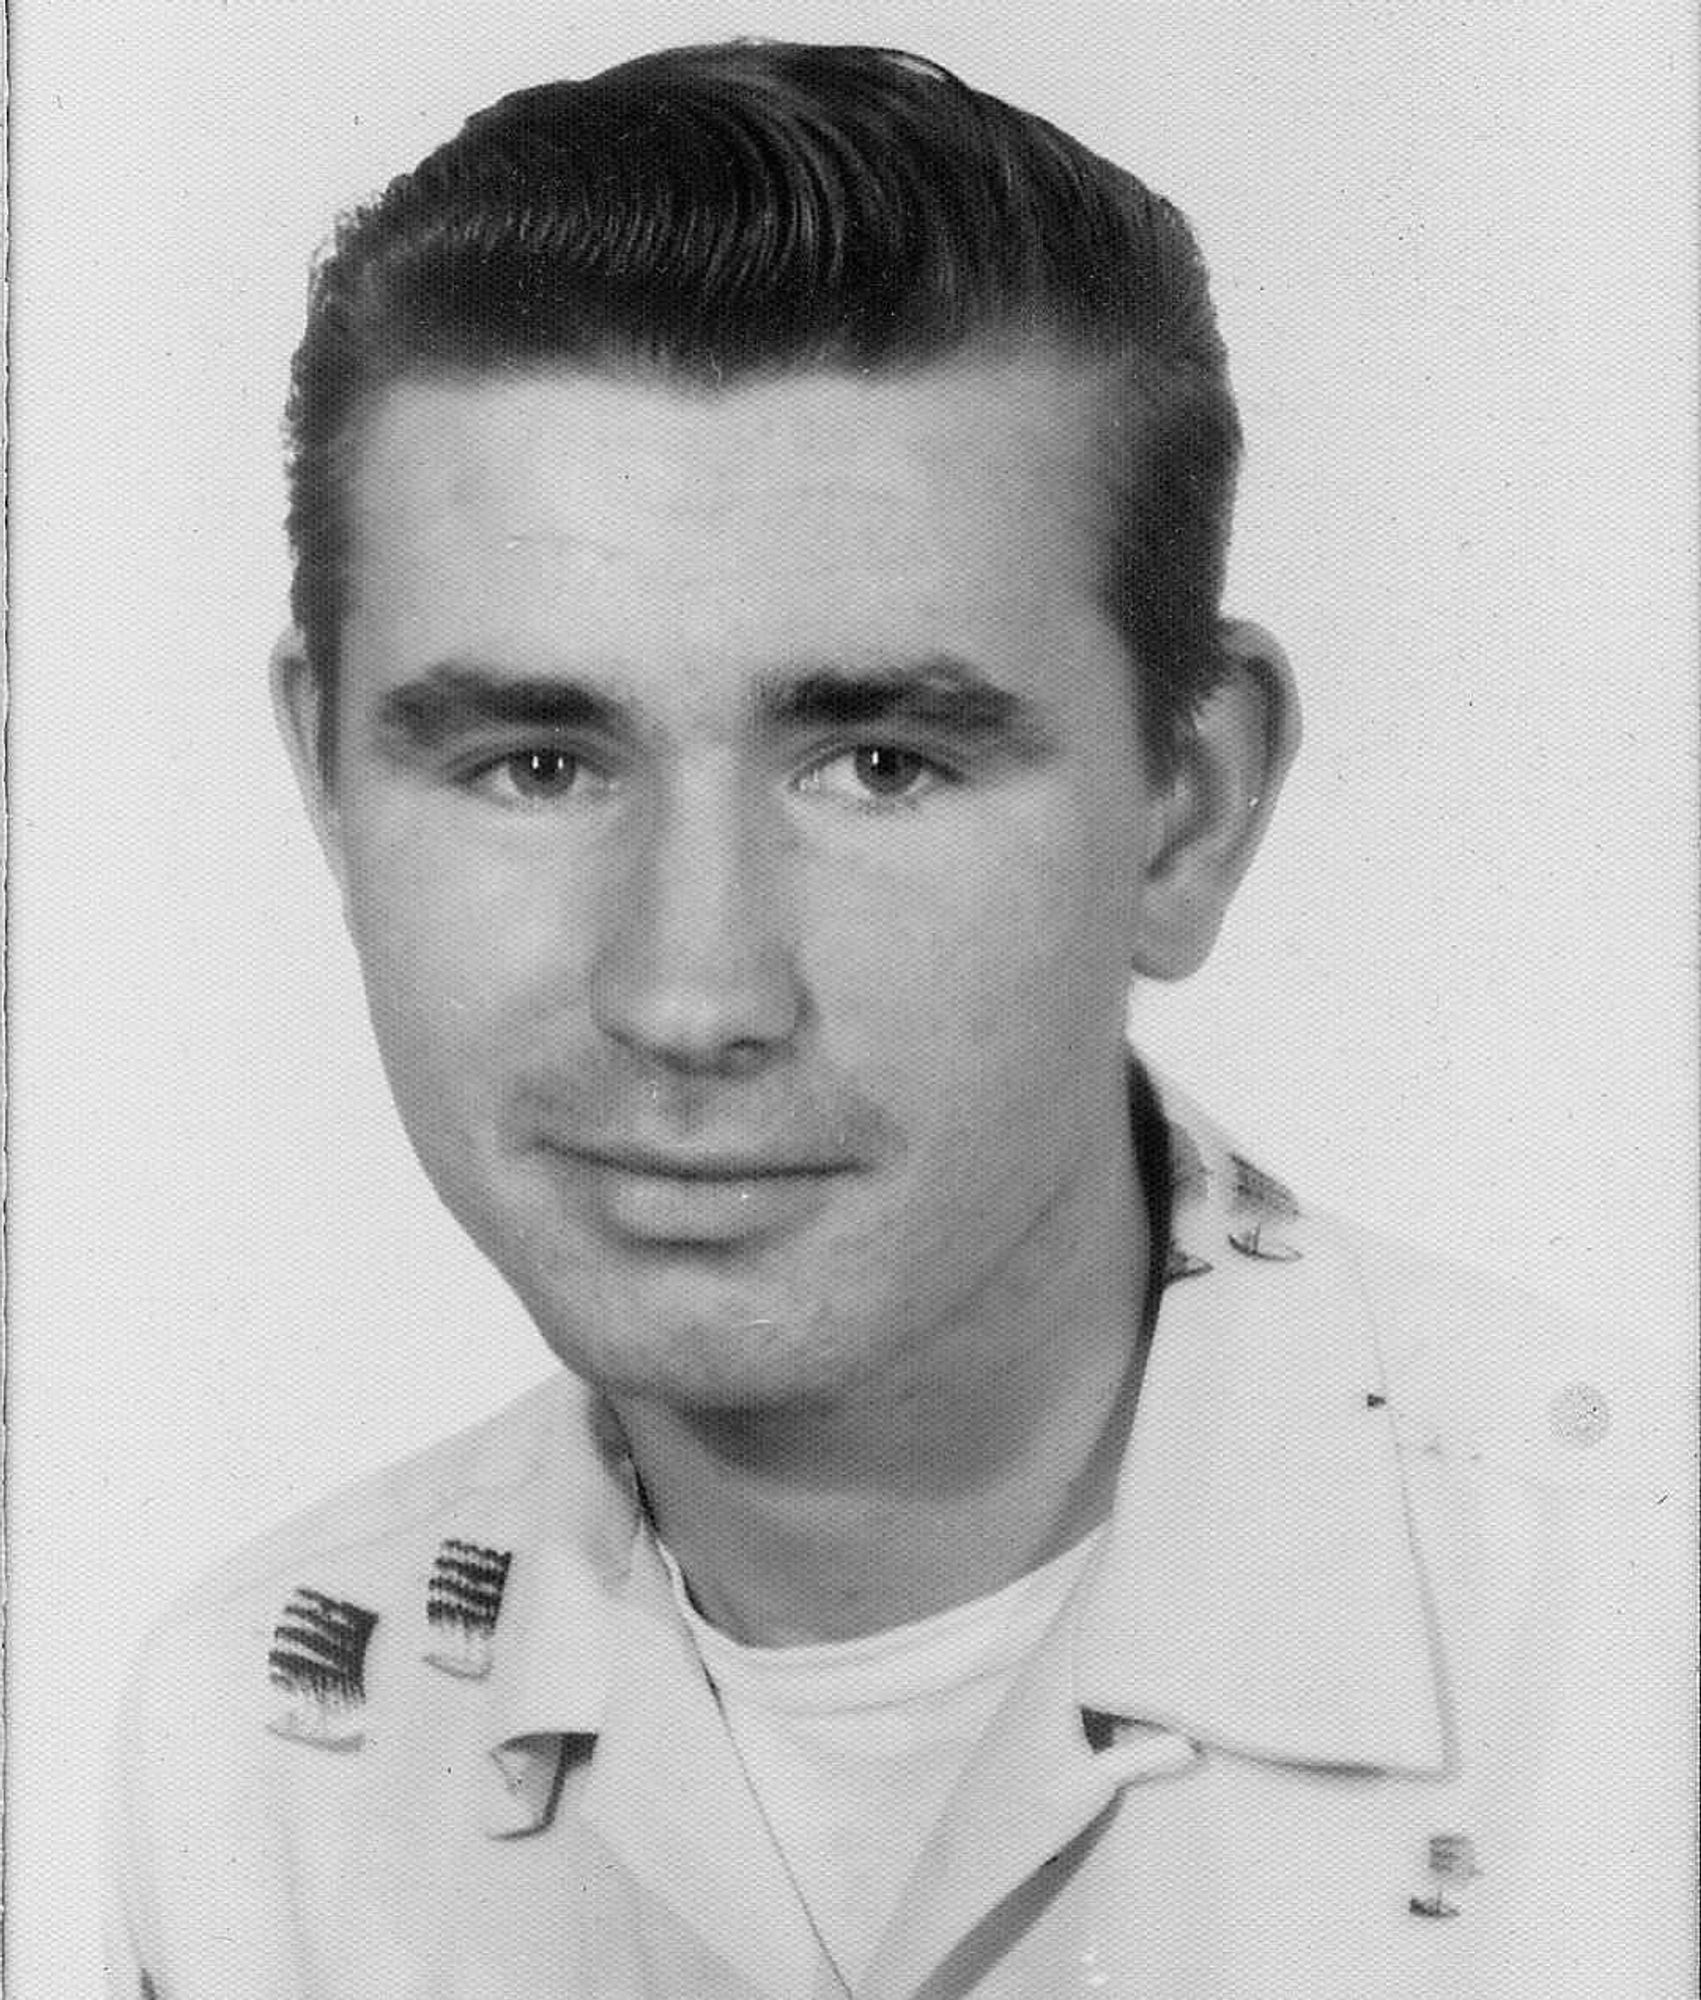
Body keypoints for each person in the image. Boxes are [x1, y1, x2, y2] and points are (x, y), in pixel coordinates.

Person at [104, 40, 1685, 1998]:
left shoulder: (1646, 1659)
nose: (689, 995)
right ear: (330, 789)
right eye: (530, 761)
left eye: (874, 760)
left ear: (1185, 808)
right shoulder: (269, 1745)